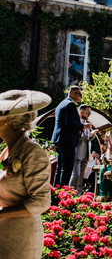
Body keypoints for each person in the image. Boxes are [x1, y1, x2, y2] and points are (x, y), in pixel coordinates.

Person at [0, 89, 52, 259]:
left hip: (20, 237)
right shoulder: (7, 151)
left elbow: (41, 202)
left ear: (9, 119)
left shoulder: (31, 152)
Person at [52, 86, 86, 186]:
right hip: (67, 139)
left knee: (60, 167)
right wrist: (83, 126)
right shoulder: (70, 104)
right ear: (72, 94)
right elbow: (70, 123)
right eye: (80, 94)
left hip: (59, 139)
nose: (81, 97)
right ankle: (63, 193)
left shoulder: (61, 104)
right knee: (67, 168)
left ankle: (56, 191)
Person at [69, 104, 98, 193]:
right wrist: (91, 134)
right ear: (81, 112)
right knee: (76, 175)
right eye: (88, 112)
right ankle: (70, 193)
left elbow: (86, 138)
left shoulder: (86, 123)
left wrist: (92, 135)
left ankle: (79, 193)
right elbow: (78, 137)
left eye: (90, 112)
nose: (89, 114)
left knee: (81, 176)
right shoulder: (77, 123)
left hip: (85, 153)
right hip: (77, 152)